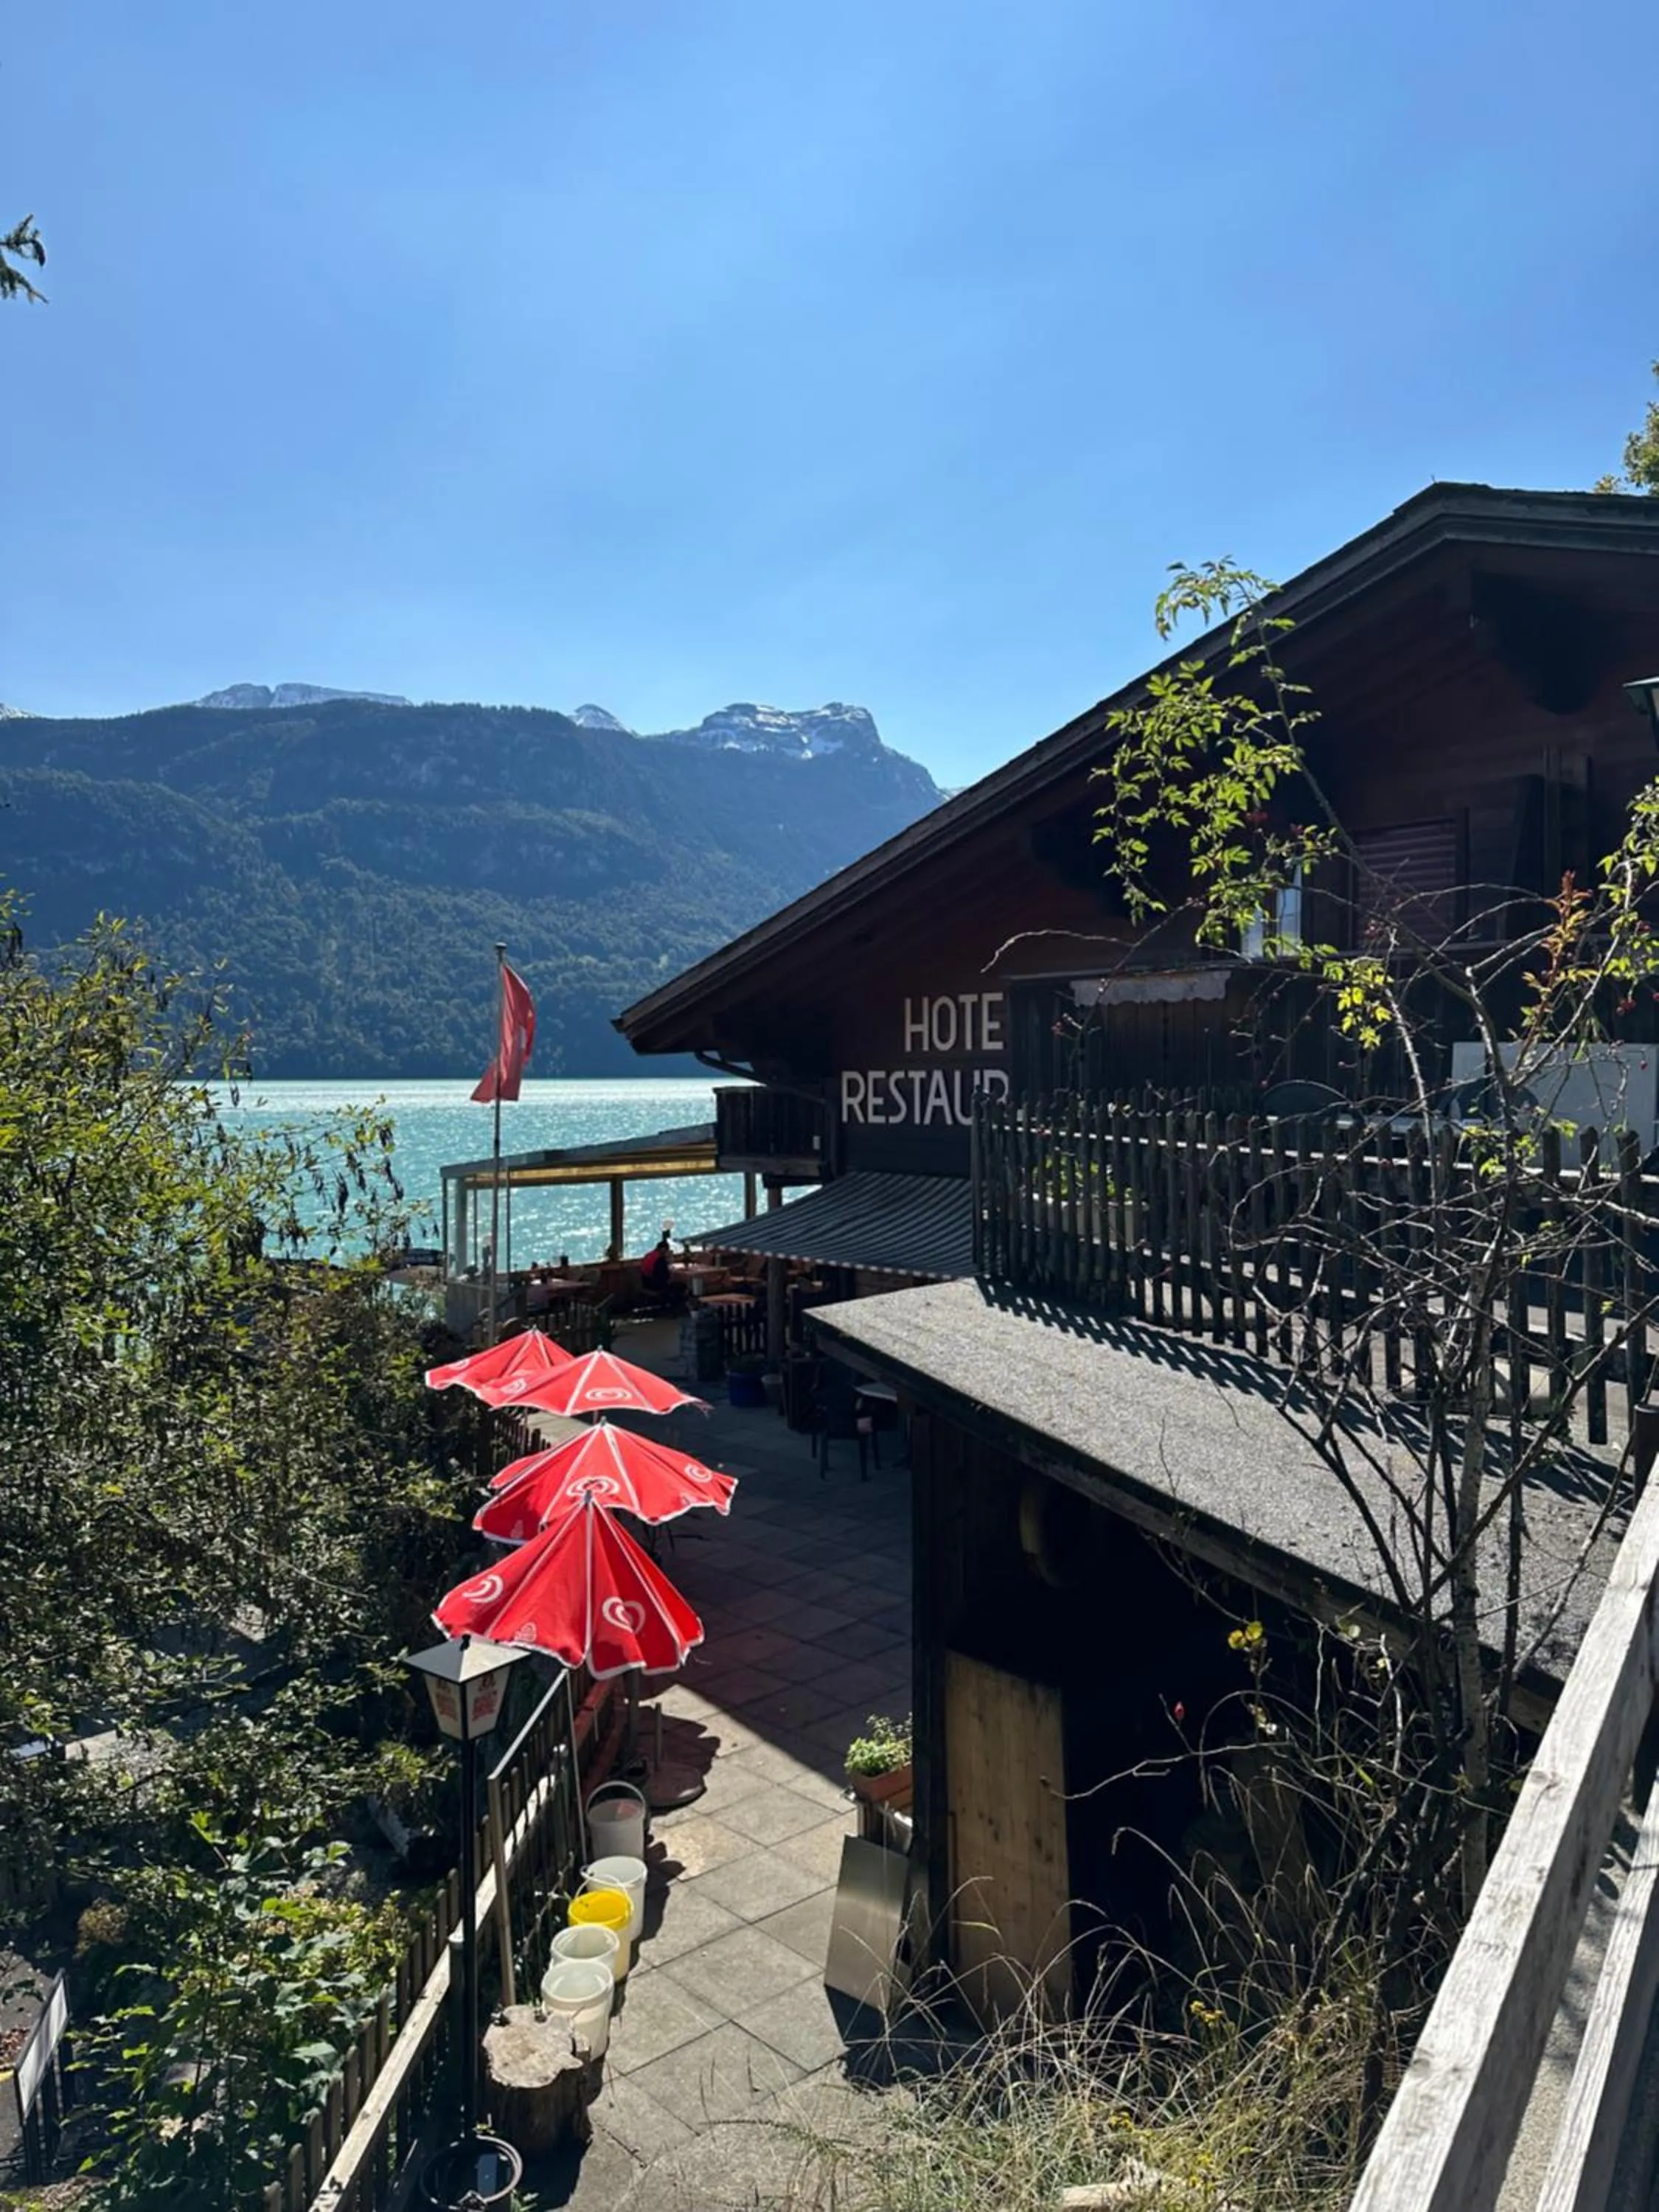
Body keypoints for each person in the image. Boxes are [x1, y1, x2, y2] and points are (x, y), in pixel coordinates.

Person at [639, 1231, 675, 1297]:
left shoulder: (649, 1255)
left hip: (646, 1282)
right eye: (666, 1250)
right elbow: (664, 1274)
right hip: (655, 1283)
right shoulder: (660, 1259)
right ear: (663, 1249)